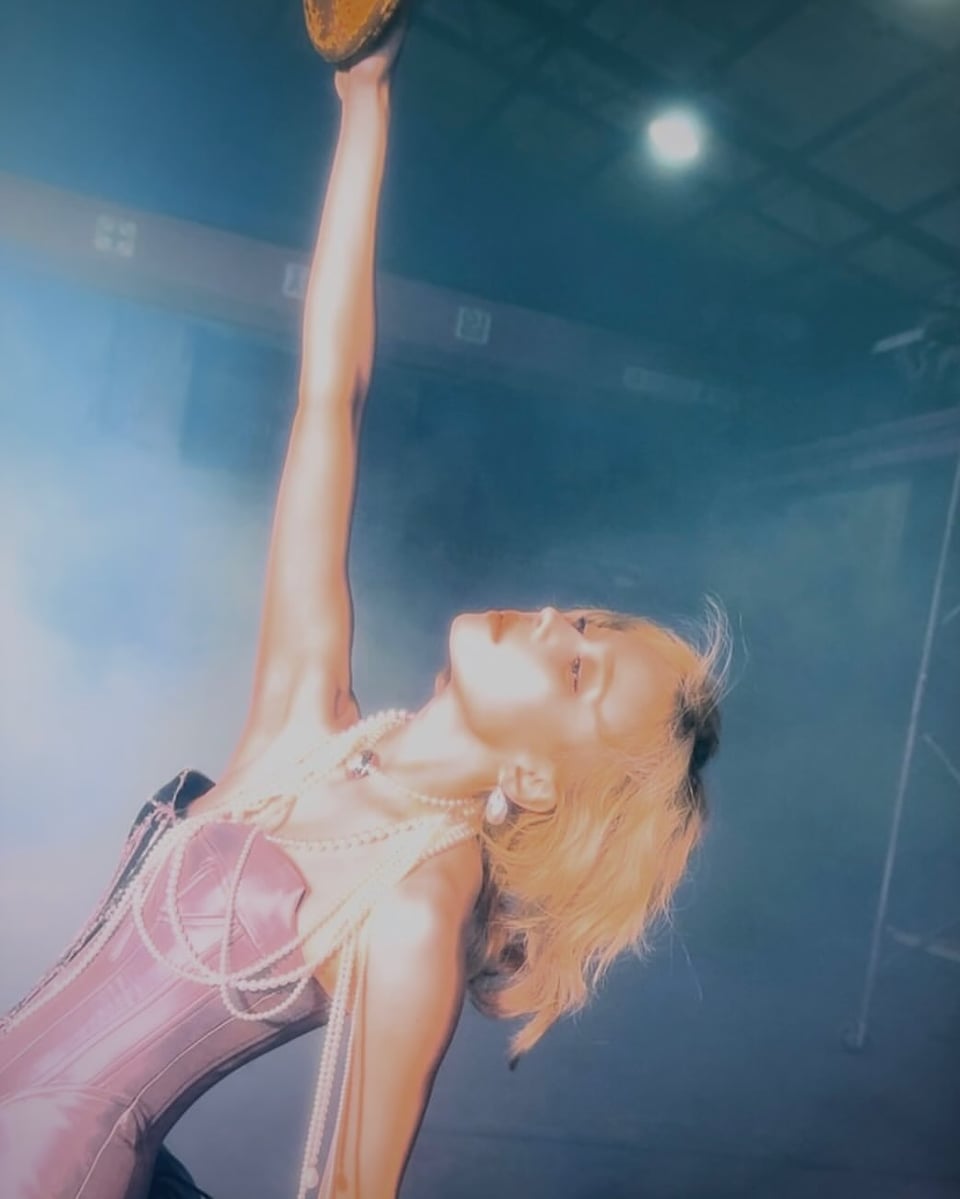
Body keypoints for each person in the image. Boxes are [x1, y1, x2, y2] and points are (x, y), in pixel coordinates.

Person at [0, 19, 728, 1199]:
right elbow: (326, 396)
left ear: (537, 777)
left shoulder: (417, 902)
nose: (557, 619)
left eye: (578, 668)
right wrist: (365, 100)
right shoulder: (307, 726)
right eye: (587, 623)